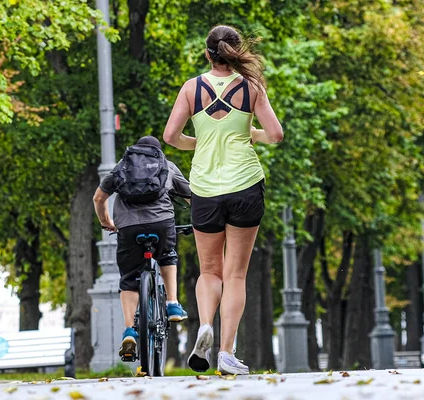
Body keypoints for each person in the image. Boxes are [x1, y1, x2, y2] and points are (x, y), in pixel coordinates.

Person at [163, 25, 283, 375]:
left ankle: (204, 326)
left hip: (204, 189)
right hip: (245, 185)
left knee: (210, 270)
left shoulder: (191, 88)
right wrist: (251, 134)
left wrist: (198, 144)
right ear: (235, 51)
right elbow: (275, 134)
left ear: (207, 54)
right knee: (235, 275)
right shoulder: (251, 88)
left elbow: (171, 136)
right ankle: (227, 352)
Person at [92, 135, 191, 360]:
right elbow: (191, 197)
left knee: (129, 278)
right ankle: (173, 304)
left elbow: (98, 198)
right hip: (162, 223)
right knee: (167, 255)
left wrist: (106, 221)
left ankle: (129, 331)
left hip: (128, 228)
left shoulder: (122, 166)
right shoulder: (168, 166)